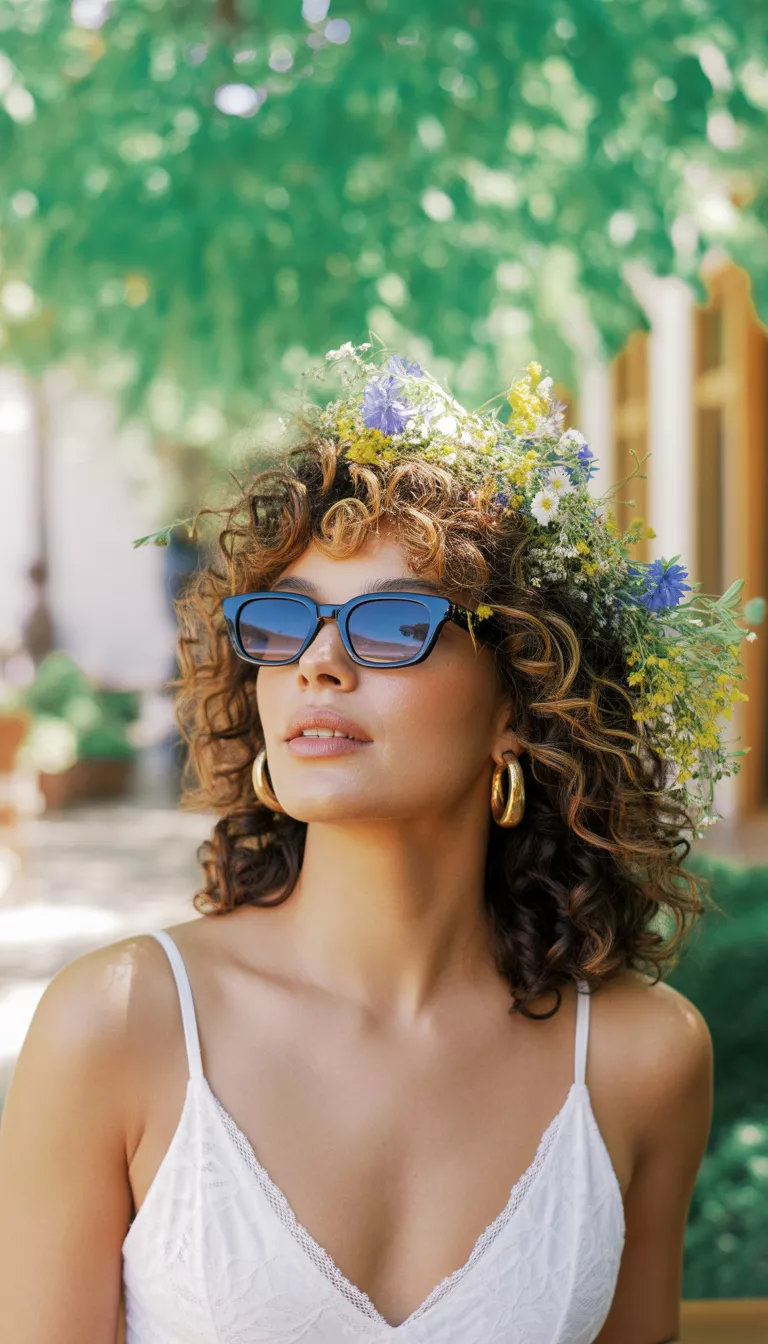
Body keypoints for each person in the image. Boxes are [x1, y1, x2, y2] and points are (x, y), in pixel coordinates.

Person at [2, 347, 741, 1344]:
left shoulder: (640, 1059)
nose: (319, 662)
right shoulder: (118, 1027)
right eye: (285, 621)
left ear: (521, 701)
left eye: (392, 624)